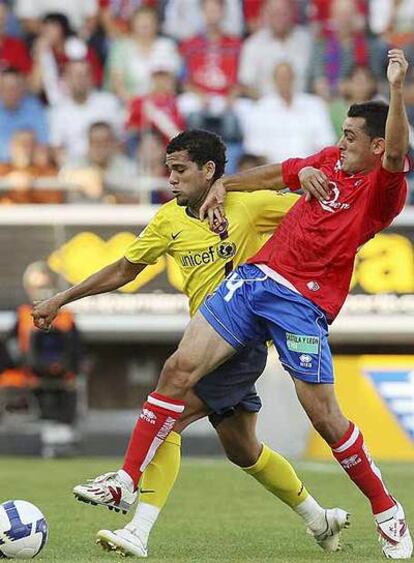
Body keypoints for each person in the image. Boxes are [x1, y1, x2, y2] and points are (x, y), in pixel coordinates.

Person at [40, 49, 414, 559]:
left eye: (350, 136)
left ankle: (386, 511)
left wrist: (394, 89)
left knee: (324, 418)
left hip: (302, 303)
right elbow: (272, 174)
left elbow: (394, 153)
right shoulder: (325, 162)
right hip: (255, 280)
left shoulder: (382, 188)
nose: (339, 142)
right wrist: (225, 186)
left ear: (374, 144)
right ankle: (126, 483)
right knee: (178, 370)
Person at [32, 129, 349, 557]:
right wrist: (62, 298)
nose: (172, 179)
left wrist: (309, 177)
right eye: (169, 170)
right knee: (243, 449)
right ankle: (319, 517)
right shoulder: (169, 219)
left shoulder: (249, 204)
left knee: (167, 417)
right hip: (206, 338)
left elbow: (319, 220)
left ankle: (135, 518)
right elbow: (126, 269)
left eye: (180, 170)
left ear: (209, 170)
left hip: (241, 338)